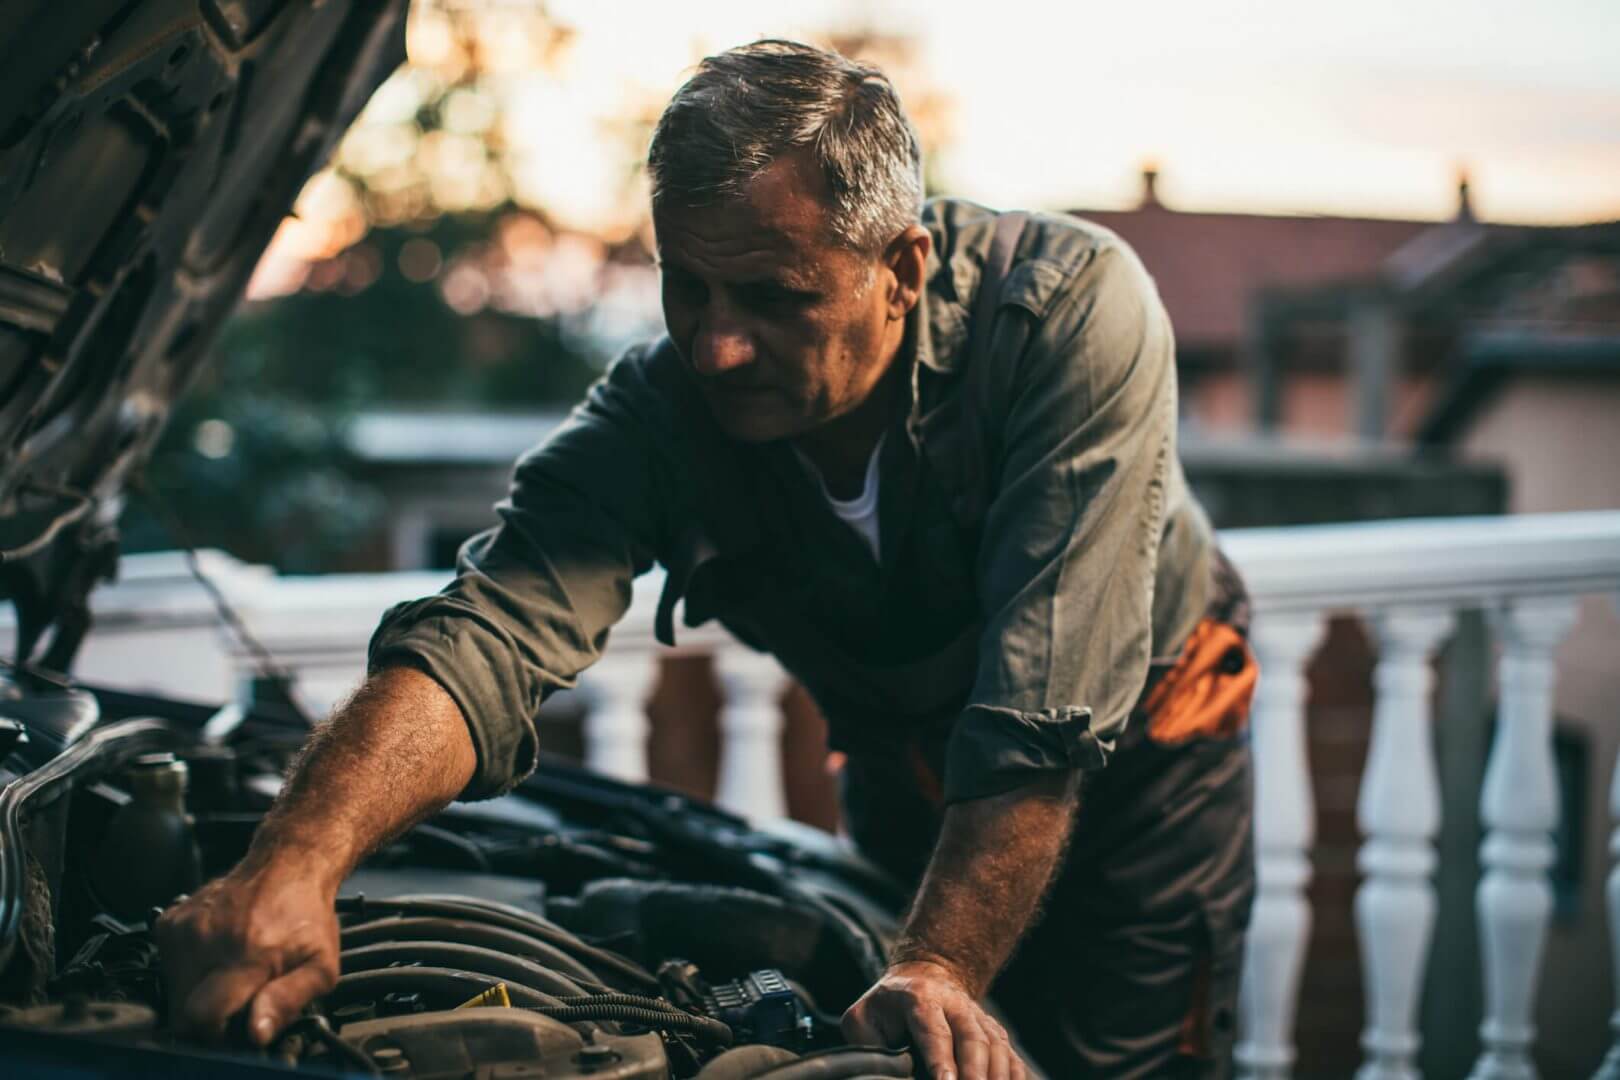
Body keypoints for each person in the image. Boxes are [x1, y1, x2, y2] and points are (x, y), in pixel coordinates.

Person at [157, 39, 1257, 1080]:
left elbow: (1040, 713)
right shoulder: (662, 413)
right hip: (908, 774)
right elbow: (487, 635)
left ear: (903, 269)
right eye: (689, 285)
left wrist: (940, 964)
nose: (716, 346)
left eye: (776, 297)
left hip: (1140, 776)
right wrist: (294, 860)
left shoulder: (1065, 318)